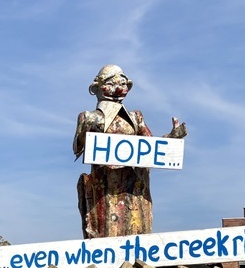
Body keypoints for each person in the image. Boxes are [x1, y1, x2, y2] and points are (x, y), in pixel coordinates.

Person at [73, 65, 185, 238]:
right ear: (97, 88)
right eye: (111, 84)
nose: (118, 88)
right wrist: (87, 129)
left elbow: (150, 145)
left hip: (134, 184)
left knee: (135, 226)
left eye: (123, 83)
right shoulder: (89, 116)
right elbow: (78, 147)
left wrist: (171, 137)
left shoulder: (135, 117)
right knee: (107, 227)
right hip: (105, 184)